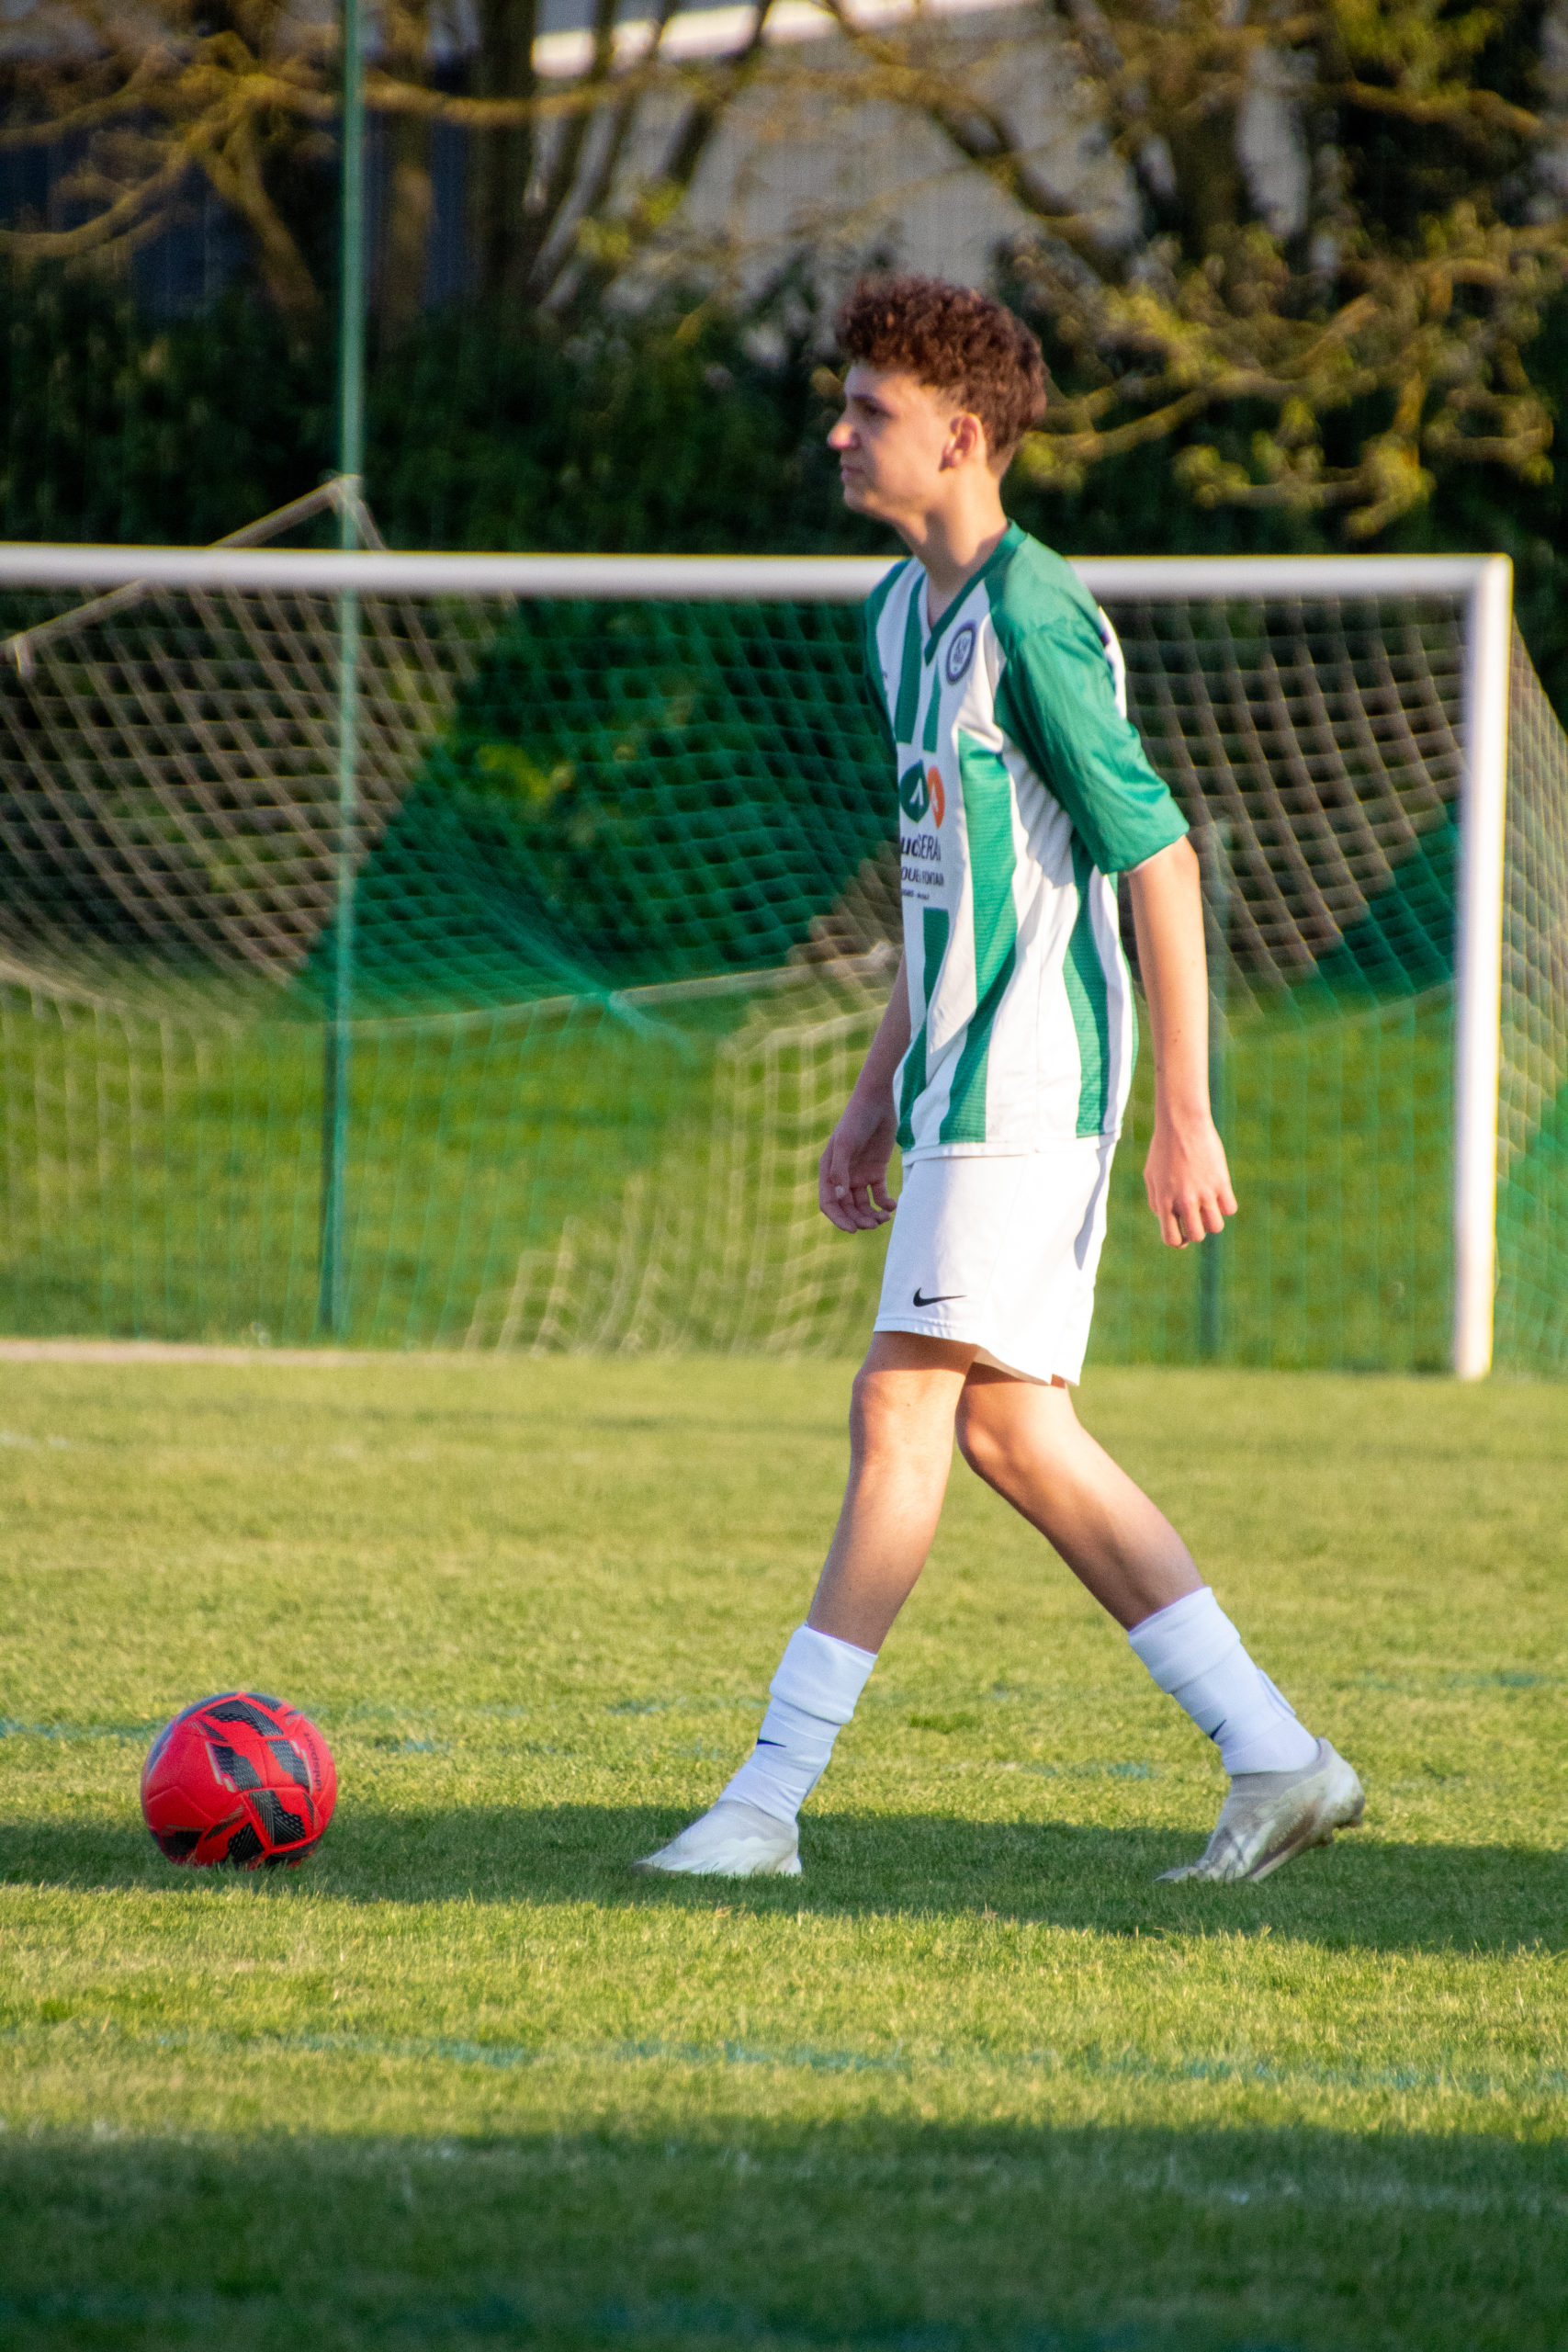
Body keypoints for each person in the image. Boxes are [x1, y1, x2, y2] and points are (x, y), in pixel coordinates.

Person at [636, 274, 1362, 1887]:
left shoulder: (1035, 616)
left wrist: (1185, 1112)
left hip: (1037, 1079)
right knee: (1017, 1437)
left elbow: (1160, 858)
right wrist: (872, 1093)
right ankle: (1277, 1758)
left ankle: (764, 1805)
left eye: (870, 410)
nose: (839, 433)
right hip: (960, 1079)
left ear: (961, 437)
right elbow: (941, 888)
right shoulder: (899, 616)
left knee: (900, 1405)